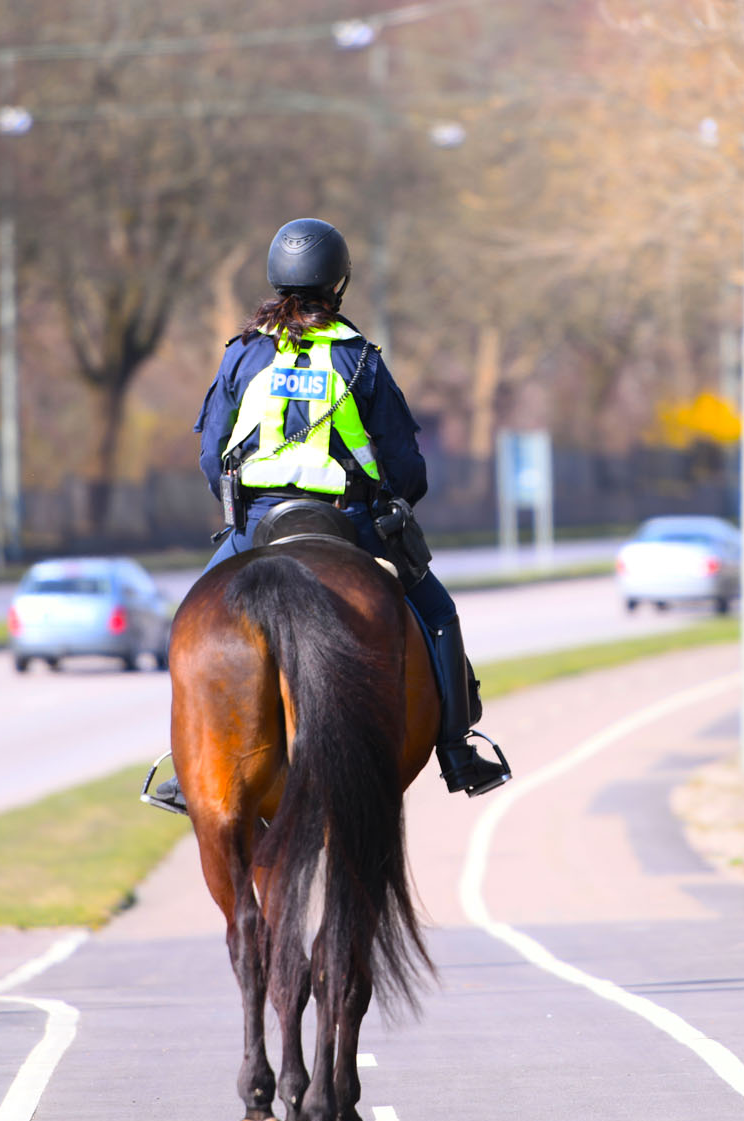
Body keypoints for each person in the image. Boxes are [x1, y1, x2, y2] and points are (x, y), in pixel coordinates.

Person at [144, 218, 511, 813]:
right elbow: (404, 465)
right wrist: (395, 500)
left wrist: (237, 503)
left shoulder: (243, 353)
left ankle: (189, 766)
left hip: (257, 523)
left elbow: (212, 453)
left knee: (194, 620)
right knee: (439, 613)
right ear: (339, 282)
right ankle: (457, 749)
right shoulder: (361, 359)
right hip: (350, 522)